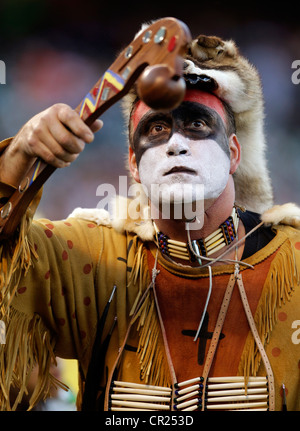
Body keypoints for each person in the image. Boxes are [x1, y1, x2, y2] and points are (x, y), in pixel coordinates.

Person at [0, 30, 300, 412]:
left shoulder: (295, 259)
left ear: (235, 153)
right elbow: (6, 261)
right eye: (156, 129)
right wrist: (19, 156)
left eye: (197, 125)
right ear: (133, 164)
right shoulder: (92, 256)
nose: (176, 143)